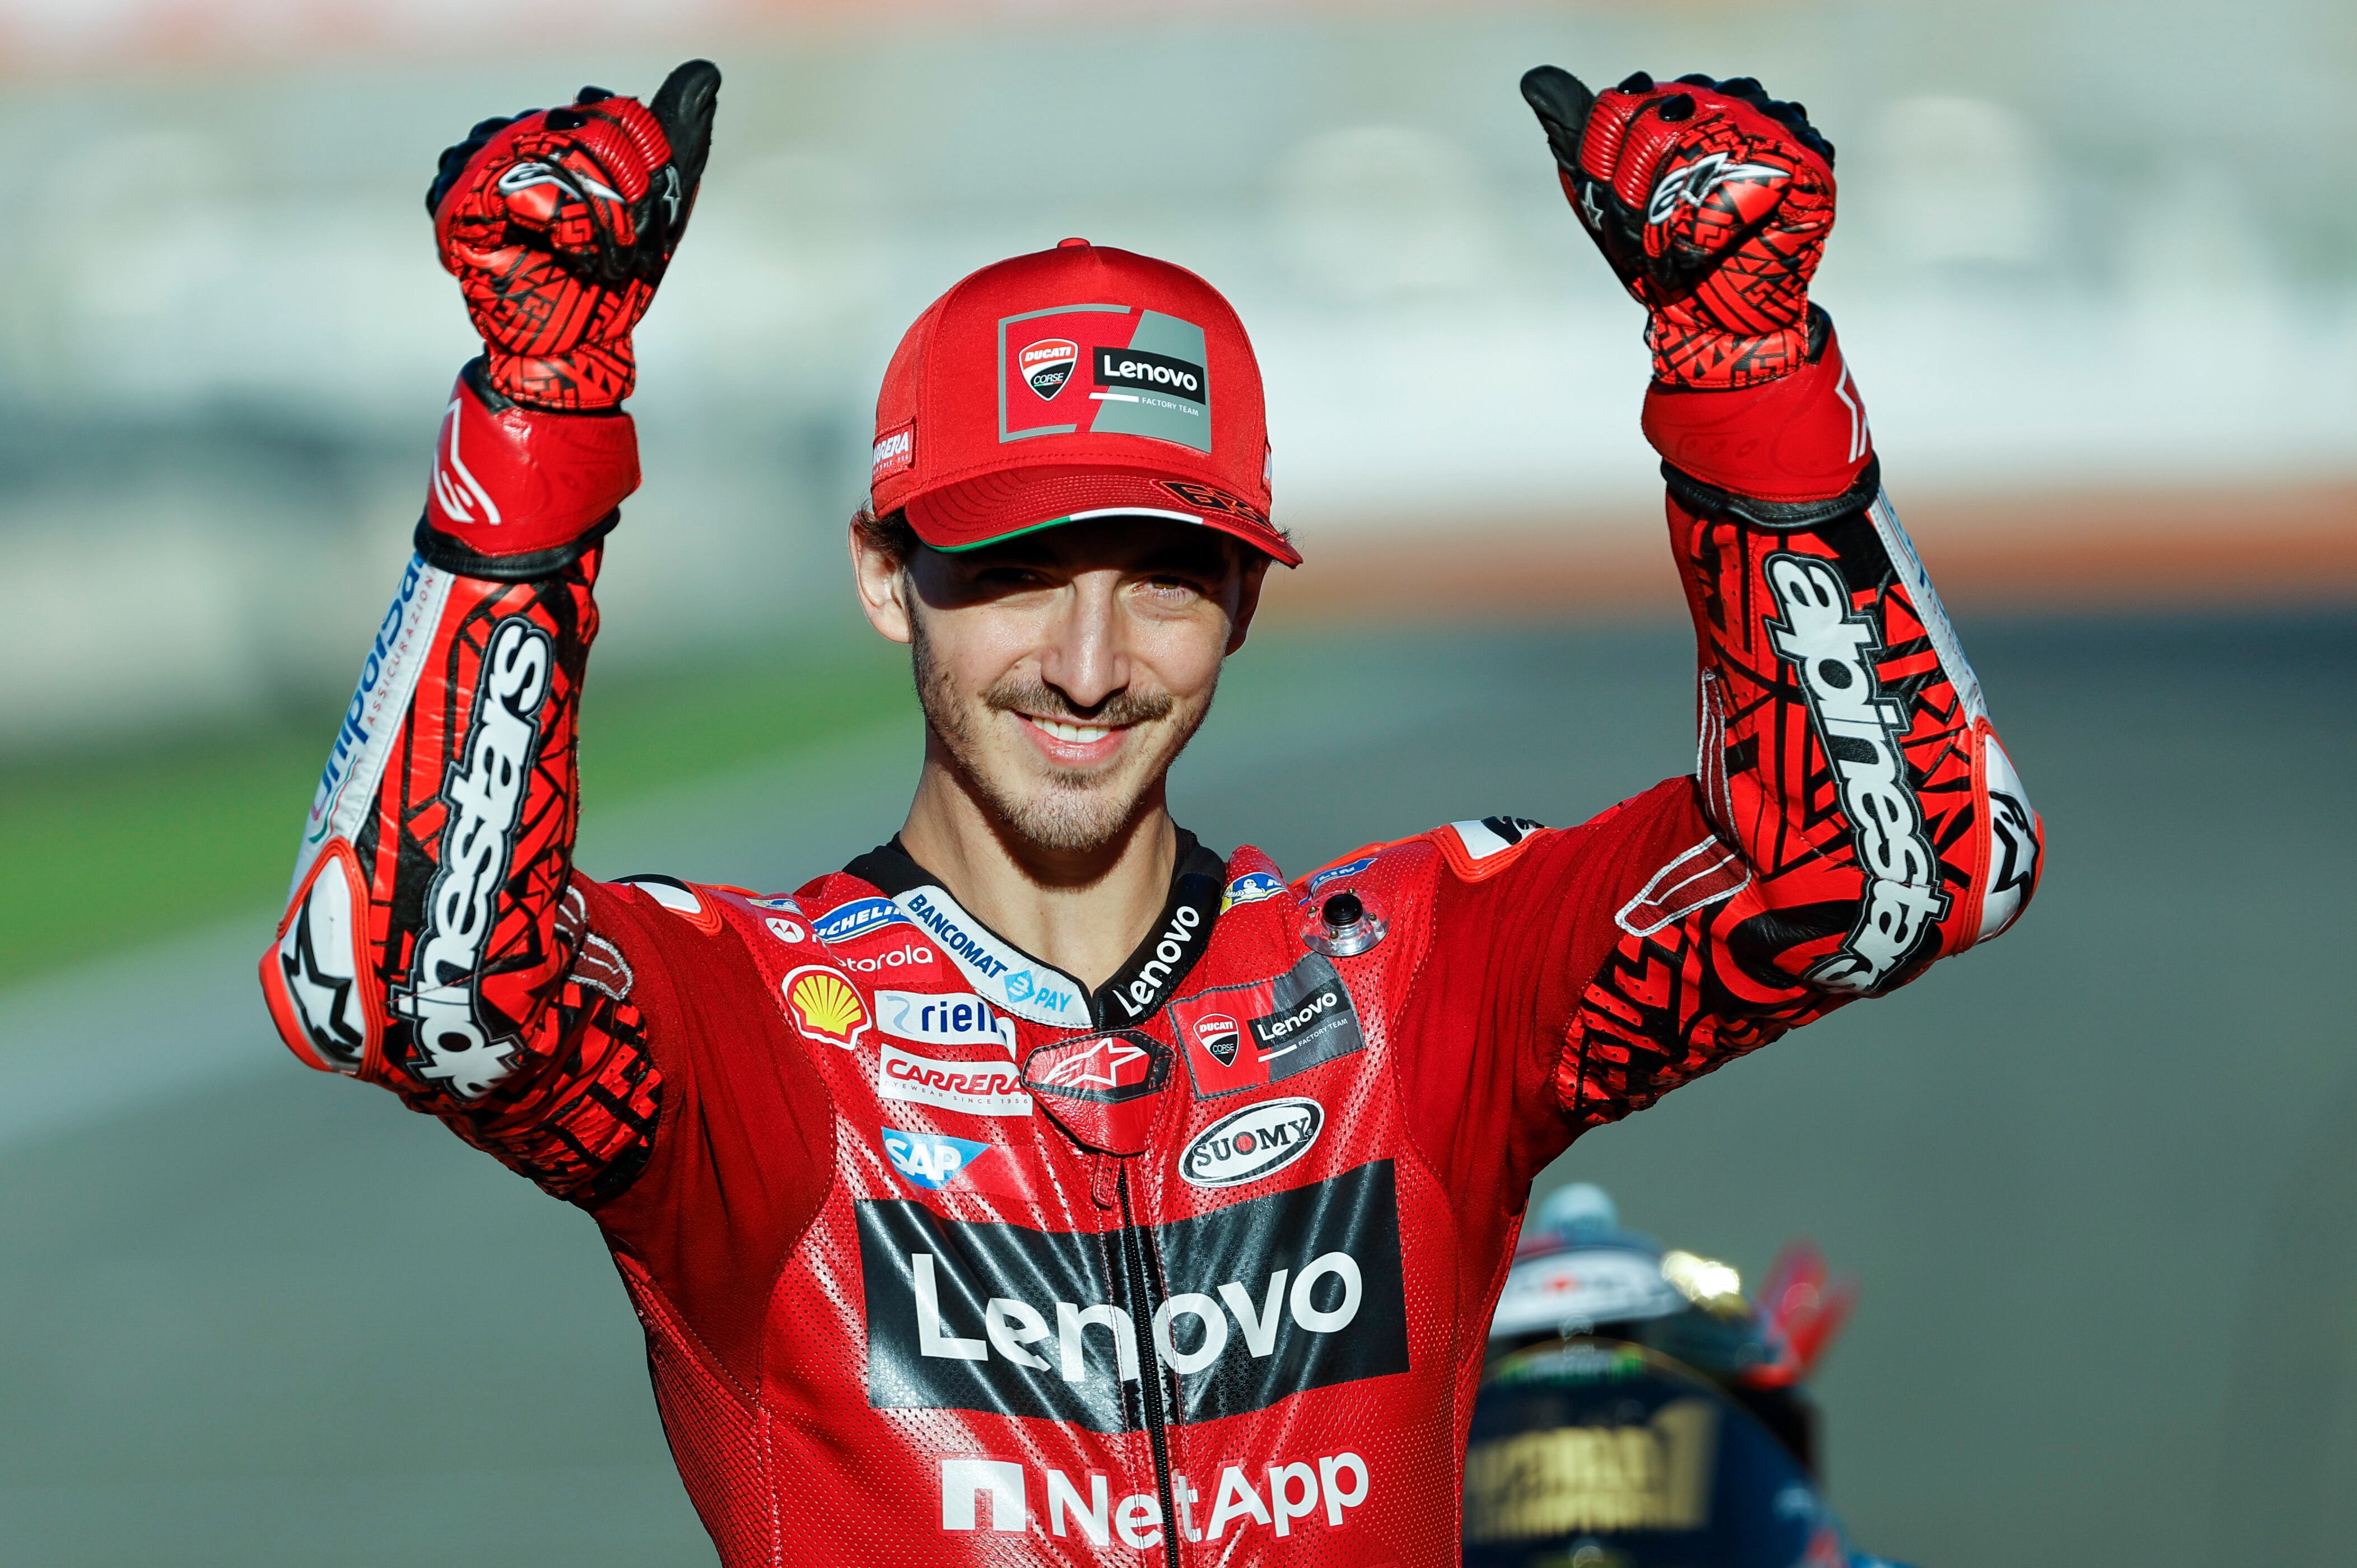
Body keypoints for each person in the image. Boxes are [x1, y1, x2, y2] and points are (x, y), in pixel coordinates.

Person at [257, 58, 2043, 1566]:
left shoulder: (1420, 981)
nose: (1093, 662)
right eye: (1025, 571)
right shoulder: (754, 1038)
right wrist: (539, 418)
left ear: (1248, 601)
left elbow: (1903, 872)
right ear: (890, 578)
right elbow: (407, 981)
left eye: (1168, 577)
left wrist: (1752, 379)